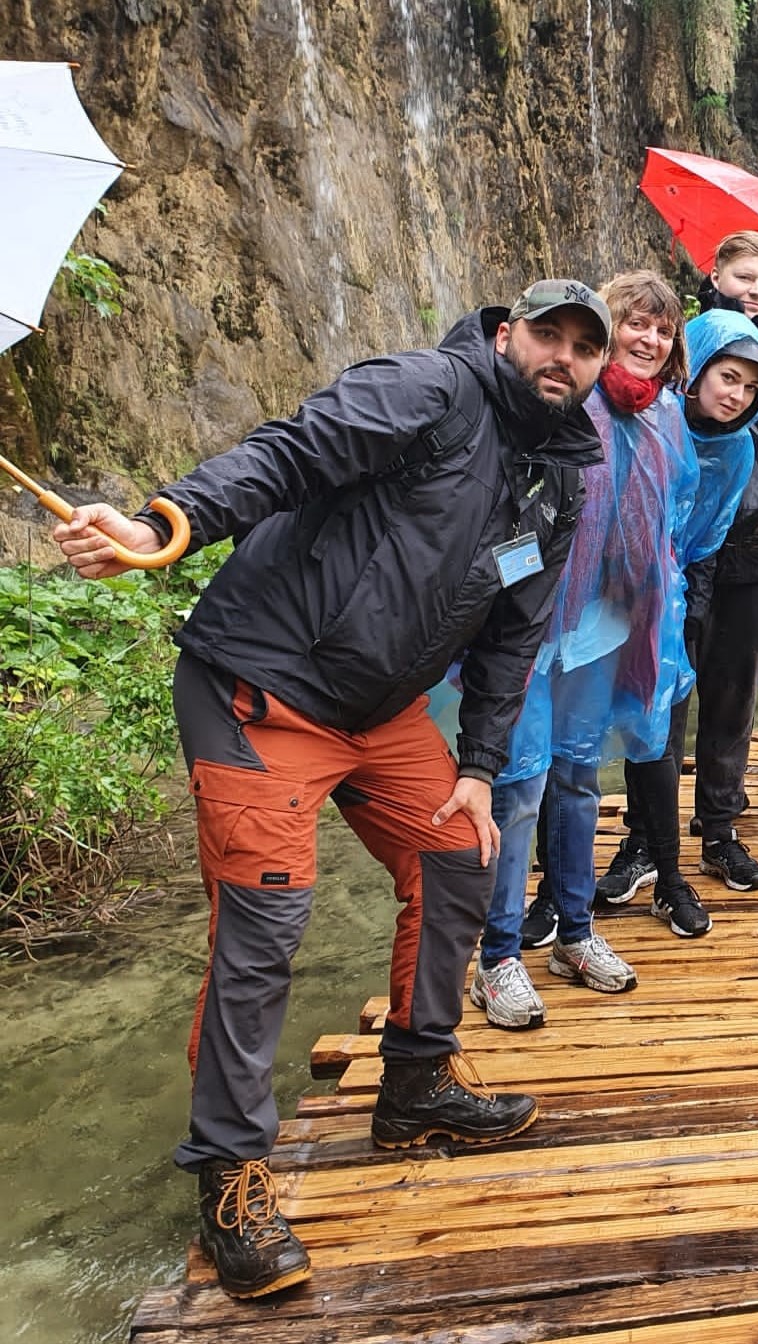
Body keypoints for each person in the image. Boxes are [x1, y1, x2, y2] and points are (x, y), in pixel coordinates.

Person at [50, 279, 610, 1299]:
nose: (562, 356)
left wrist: (478, 769)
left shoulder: (557, 481)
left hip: (379, 711)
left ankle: (416, 1082)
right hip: (260, 684)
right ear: (506, 335)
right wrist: (166, 521)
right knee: (267, 916)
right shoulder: (430, 387)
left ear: (599, 369)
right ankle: (229, 1172)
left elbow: (513, 635)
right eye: (548, 333)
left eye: (585, 345)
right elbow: (291, 452)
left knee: (457, 855)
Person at [468, 275, 758, 1029]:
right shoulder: (562, 399)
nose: (649, 340)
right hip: (531, 623)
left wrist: (657, 600)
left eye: (663, 331)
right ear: (608, 334)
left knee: (577, 779)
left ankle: (574, 933)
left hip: (608, 628)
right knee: (518, 787)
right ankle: (497, 956)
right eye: (635, 324)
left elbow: (685, 525)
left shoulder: (665, 417)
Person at [596, 230, 758, 918]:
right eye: (745, 276)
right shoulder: (677, 356)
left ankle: (719, 829)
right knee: (658, 703)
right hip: (667, 565)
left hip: (750, 559)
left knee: (732, 703)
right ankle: (645, 838)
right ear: (716, 276)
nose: (757, 290)